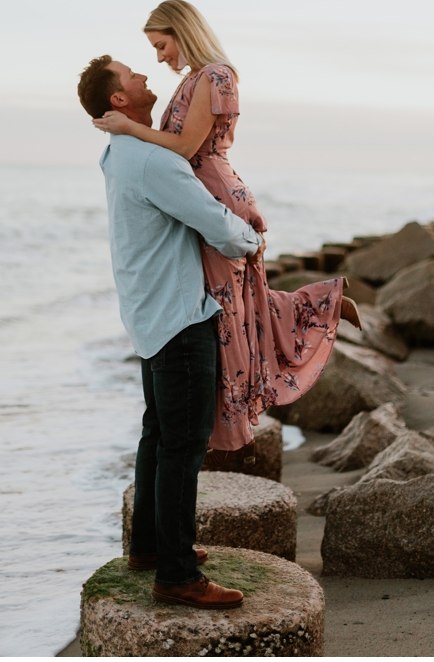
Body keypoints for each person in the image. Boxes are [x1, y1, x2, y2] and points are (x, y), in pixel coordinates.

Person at [92, 0, 361, 455]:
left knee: (233, 310)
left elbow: (182, 148)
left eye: (160, 45)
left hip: (216, 194)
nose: (158, 58)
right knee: (240, 305)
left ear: (182, 31)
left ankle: (319, 309)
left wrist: (130, 130)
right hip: (205, 194)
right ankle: (322, 303)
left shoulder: (216, 76)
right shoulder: (192, 81)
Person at [78, 53, 262, 609]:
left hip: (148, 312)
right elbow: (218, 227)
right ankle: (177, 576)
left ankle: (150, 547)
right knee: (182, 446)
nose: (144, 76)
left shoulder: (119, 152)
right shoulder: (154, 162)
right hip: (181, 316)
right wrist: (252, 237)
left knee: (158, 434)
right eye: (132, 75)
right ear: (119, 100)